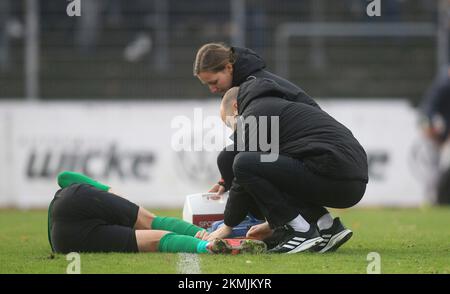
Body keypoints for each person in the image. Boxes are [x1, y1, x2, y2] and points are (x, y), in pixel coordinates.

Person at [204, 78, 368, 253]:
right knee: (267, 167)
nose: (234, 131)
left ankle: (300, 230)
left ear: (236, 107)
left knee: (243, 162)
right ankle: (327, 226)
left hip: (332, 171)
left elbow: (242, 172)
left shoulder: (256, 112)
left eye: (231, 124)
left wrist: (228, 224)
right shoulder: (277, 106)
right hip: (352, 183)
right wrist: (272, 221)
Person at [193, 42, 320, 199]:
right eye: (207, 84)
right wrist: (225, 181)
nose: (212, 89)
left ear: (228, 68)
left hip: (311, 149)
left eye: (214, 82)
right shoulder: (248, 85)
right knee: (232, 159)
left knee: (236, 160)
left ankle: (285, 219)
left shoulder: (254, 85)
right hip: (297, 144)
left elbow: (257, 141)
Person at [48, 171, 267, 254]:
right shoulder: (71, 193)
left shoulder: (65, 235)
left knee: (154, 238)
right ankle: (204, 238)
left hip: (64, 241)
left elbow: (63, 178)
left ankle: (206, 245)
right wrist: (108, 191)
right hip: (77, 200)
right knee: (152, 224)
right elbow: (64, 176)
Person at [419, 66, 450, 205]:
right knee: (436, 168)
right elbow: (428, 111)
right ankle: (433, 199)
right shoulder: (443, 86)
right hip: (438, 134)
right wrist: (432, 129)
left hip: (443, 133)